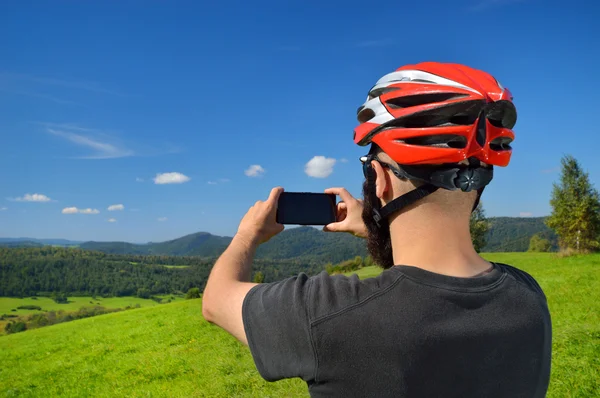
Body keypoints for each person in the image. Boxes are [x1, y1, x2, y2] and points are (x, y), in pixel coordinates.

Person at [202, 62, 552, 397]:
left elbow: (216, 300)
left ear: (379, 179)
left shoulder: (325, 313)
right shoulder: (528, 299)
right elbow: (426, 292)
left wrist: (248, 234)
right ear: (476, 184)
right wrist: (376, 229)